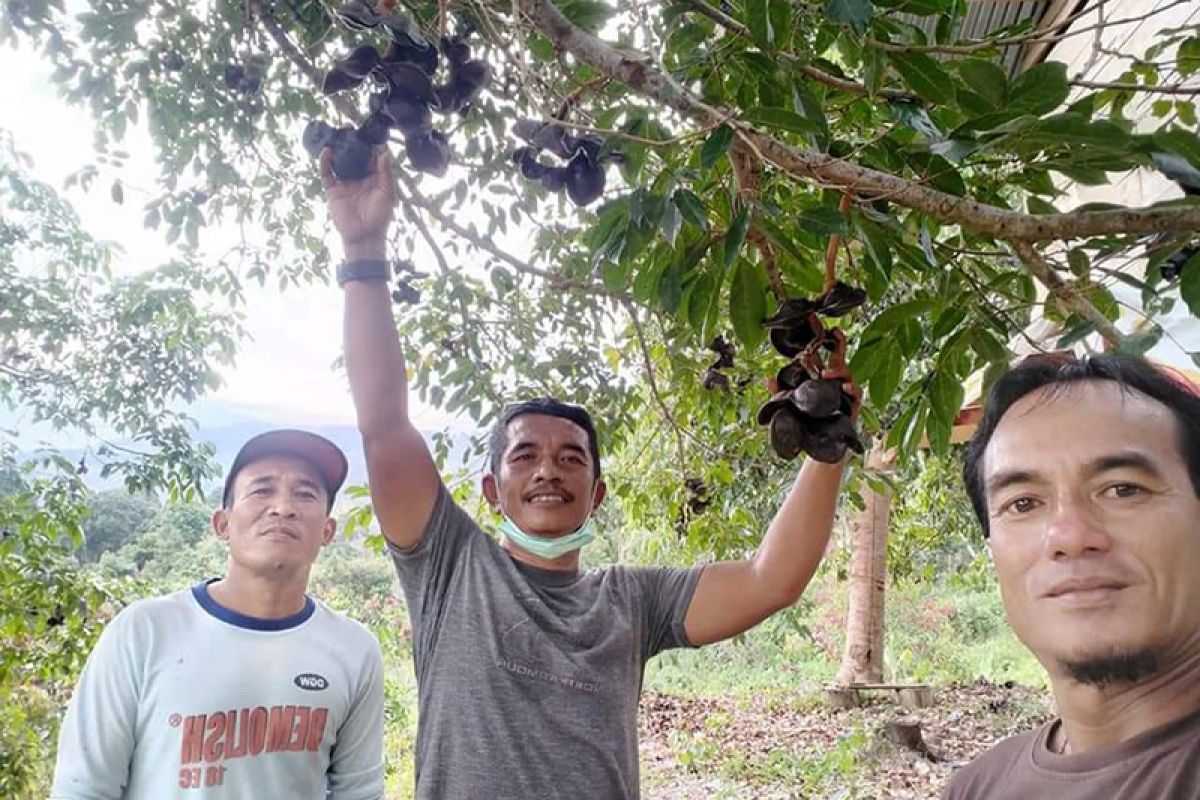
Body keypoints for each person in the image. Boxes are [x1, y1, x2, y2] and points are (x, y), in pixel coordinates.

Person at [323, 148, 858, 799]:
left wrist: (830, 440)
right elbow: (383, 423)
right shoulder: (449, 567)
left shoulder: (632, 602)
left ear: (598, 494)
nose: (549, 469)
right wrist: (363, 249)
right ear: (492, 491)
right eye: (525, 456)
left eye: (572, 457)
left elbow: (770, 580)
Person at [51, 429, 386, 800]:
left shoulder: (355, 651)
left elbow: (360, 792)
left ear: (327, 531)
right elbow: (83, 788)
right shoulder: (143, 632)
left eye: (305, 494)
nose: (283, 507)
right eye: (262, 490)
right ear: (222, 524)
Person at [944, 353, 1200, 798]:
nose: (1070, 537)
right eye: (1023, 503)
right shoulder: (977, 787)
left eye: (1123, 489)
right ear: (993, 553)